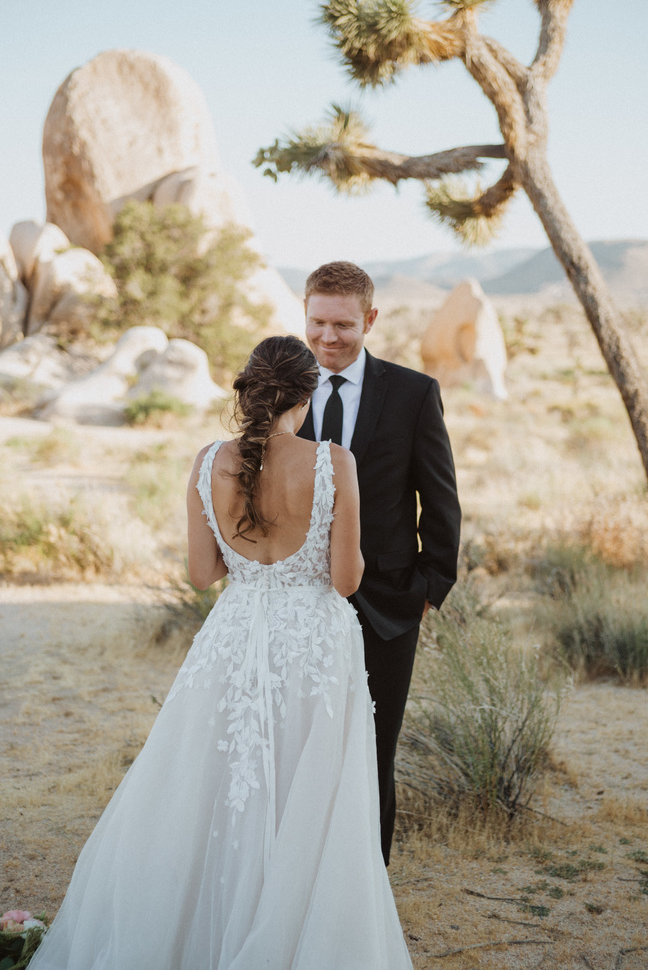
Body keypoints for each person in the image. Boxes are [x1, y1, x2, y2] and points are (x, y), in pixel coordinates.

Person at [28, 335, 413, 970]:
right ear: (308, 394)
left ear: (247, 391)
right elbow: (346, 581)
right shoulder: (333, 463)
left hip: (235, 635)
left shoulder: (207, 460)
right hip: (314, 643)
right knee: (305, 786)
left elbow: (201, 573)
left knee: (215, 783)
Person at [298, 262, 462, 865]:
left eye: (343, 324)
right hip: (298, 604)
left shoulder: (414, 393)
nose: (328, 337)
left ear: (369, 319)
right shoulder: (283, 390)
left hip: (389, 604)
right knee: (301, 746)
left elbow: (439, 497)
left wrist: (429, 587)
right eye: (317, 322)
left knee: (372, 749)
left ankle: (365, 892)